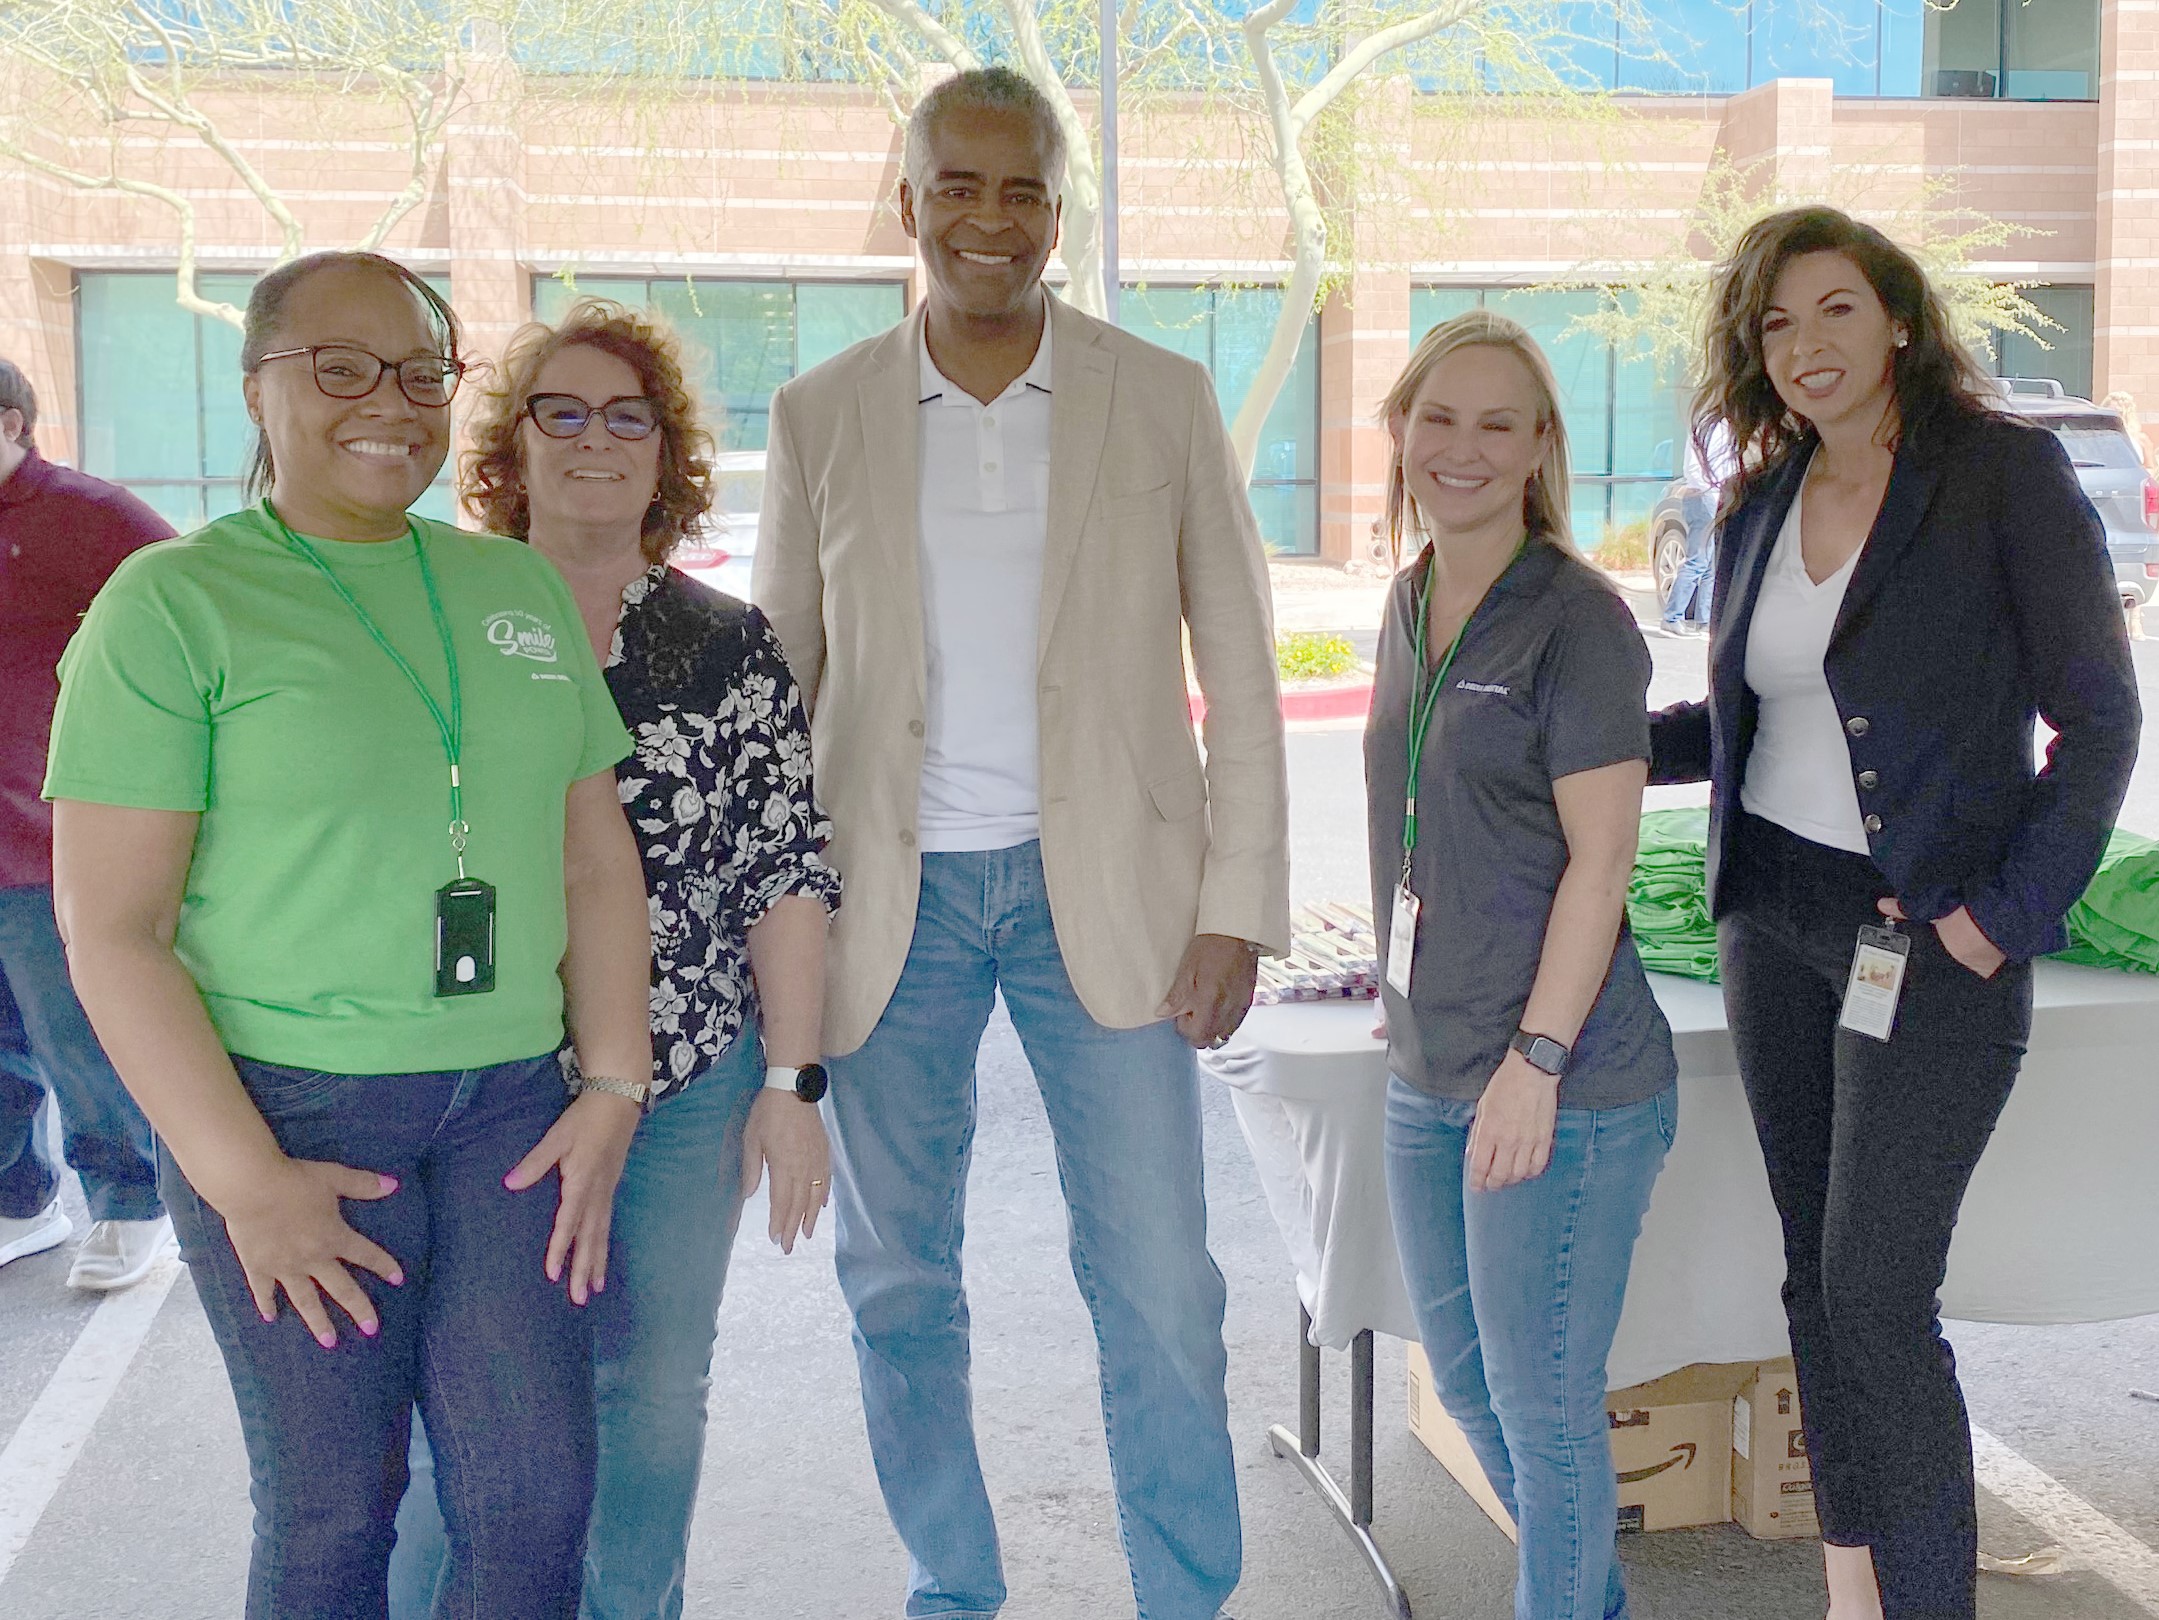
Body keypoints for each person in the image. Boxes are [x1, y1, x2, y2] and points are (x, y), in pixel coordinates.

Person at [44, 250, 652, 1618]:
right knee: (333, 1512)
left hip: (509, 1108)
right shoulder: (174, 603)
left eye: (422, 372)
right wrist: (245, 1183)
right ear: (257, 383)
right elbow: (112, 930)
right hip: (286, 1112)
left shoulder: (515, 588)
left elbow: (591, 854)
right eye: (338, 367)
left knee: (532, 1505)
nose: (388, 401)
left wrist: (613, 1080)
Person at [755, 66, 1290, 1620]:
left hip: (1111, 905)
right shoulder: (819, 413)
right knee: (896, 1283)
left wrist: (1237, 904)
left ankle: (1183, 1596)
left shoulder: (1160, 396)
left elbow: (1243, 673)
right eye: (957, 186)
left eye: (1023, 191)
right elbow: (783, 682)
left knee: (1161, 1293)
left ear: (1059, 209)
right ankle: (949, 1582)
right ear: (907, 197)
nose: (990, 221)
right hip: (889, 908)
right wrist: (762, 936)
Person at [1650, 206, 2139, 1620]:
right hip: (1773, 926)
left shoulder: (1995, 477)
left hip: (1927, 935)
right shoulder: (1753, 504)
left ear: (1898, 323)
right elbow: (1741, 727)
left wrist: (1997, 921)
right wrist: (1580, 747)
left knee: (1874, 1295)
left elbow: (2096, 721)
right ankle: (1850, 1592)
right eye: (1774, 323)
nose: (1803, 345)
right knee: (1811, 1286)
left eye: (1833, 311)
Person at [387, 299, 840, 1620]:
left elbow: (783, 866)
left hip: (686, 1078)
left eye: (626, 416)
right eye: (561, 412)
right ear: (510, 446)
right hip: (480, 1087)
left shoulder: (724, 644)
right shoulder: (436, 615)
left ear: (666, 451)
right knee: (458, 1397)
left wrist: (792, 1086)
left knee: (649, 1384)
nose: (595, 440)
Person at [1368, 311, 1678, 1620]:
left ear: (1540, 446)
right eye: (1438, 417)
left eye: (1497, 423)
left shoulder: (1577, 623)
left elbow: (1598, 868)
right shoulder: (1405, 595)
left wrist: (1532, 1063)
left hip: (1559, 1079)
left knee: (1545, 1419)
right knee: (1473, 1387)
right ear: (1399, 427)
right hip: (1424, 1065)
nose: (1461, 448)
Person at [0, 357, 174, 1287]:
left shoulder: (93, 517)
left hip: (51, 841)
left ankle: (131, 1203)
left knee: (78, 1037)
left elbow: (192, 619)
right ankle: (20, 1201)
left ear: (14, 422)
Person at [1657, 415, 1734, 638]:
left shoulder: (1716, 426)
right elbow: (1696, 467)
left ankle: (1704, 621)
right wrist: (1712, 489)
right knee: (1698, 560)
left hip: (1710, 495)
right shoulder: (1710, 427)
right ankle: (1673, 617)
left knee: (1710, 563)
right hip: (1706, 496)